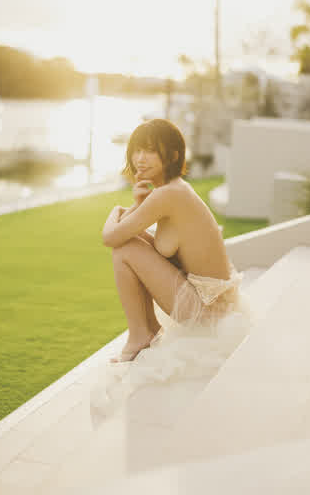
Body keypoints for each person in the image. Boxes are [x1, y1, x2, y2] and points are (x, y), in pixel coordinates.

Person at [89, 118, 251, 423]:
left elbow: (111, 236)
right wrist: (138, 204)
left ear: (173, 155)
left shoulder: (169, 194)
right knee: (131, 244)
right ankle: (146, 331)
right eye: (136, 150)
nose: (139, 158)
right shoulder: (170, 191)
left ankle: (140, 335)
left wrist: (117, 211)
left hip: (207, 309)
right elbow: (142, 240)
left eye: (150, 150)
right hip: (208, 303)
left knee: (123, 249)